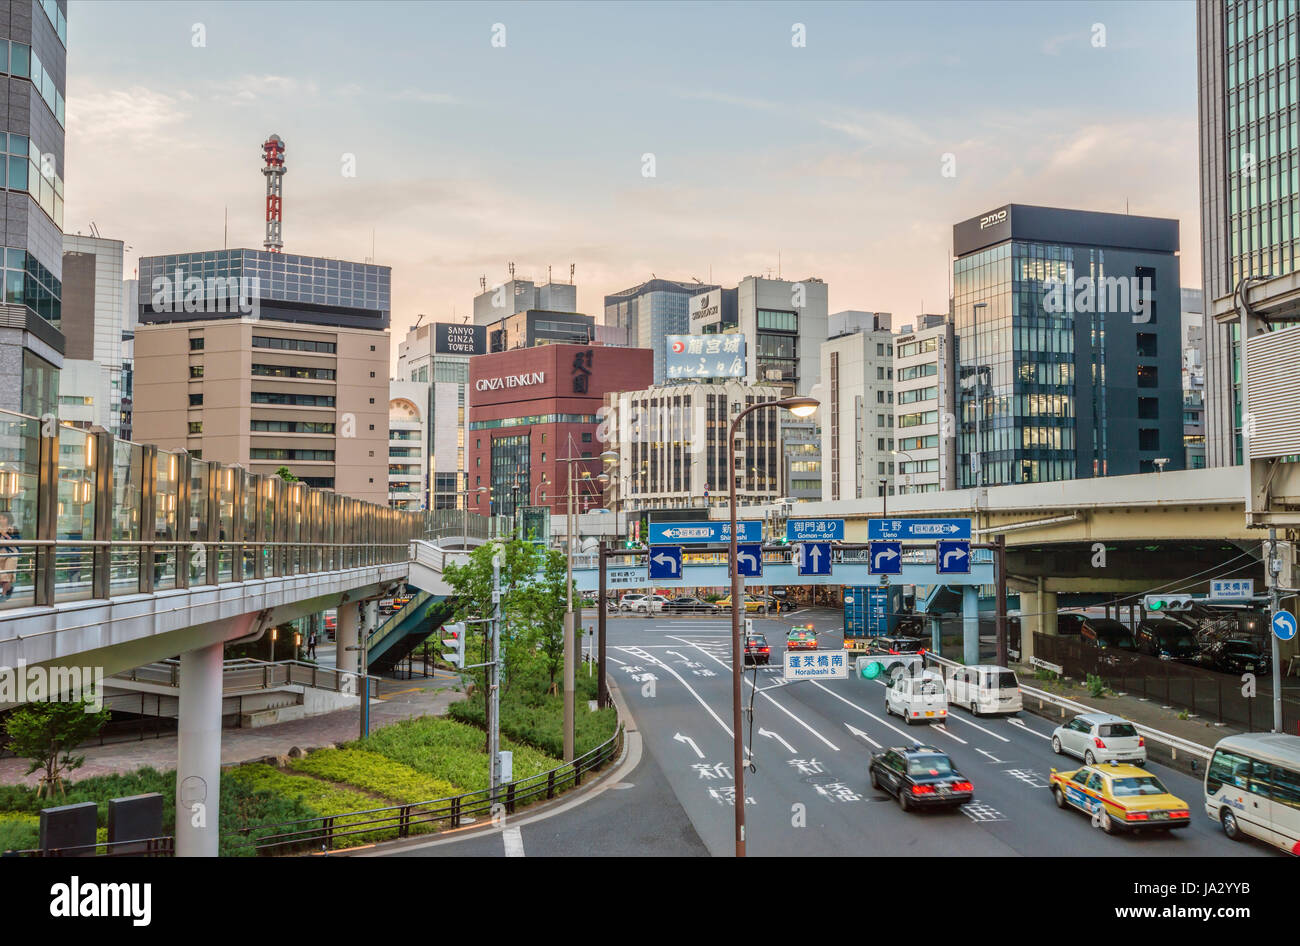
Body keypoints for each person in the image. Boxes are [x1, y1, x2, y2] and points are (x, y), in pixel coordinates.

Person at [0, 511, 19, 600]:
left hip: (12, 554)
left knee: (7, 574)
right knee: (2, 575)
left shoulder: (13, 529)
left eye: (4, 518)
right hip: (1, 554)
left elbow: (17, 541)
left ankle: (3, 595)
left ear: (8, 519)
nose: (2, 520)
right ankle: (8, 589)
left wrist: (5, 535)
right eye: (0, 518)